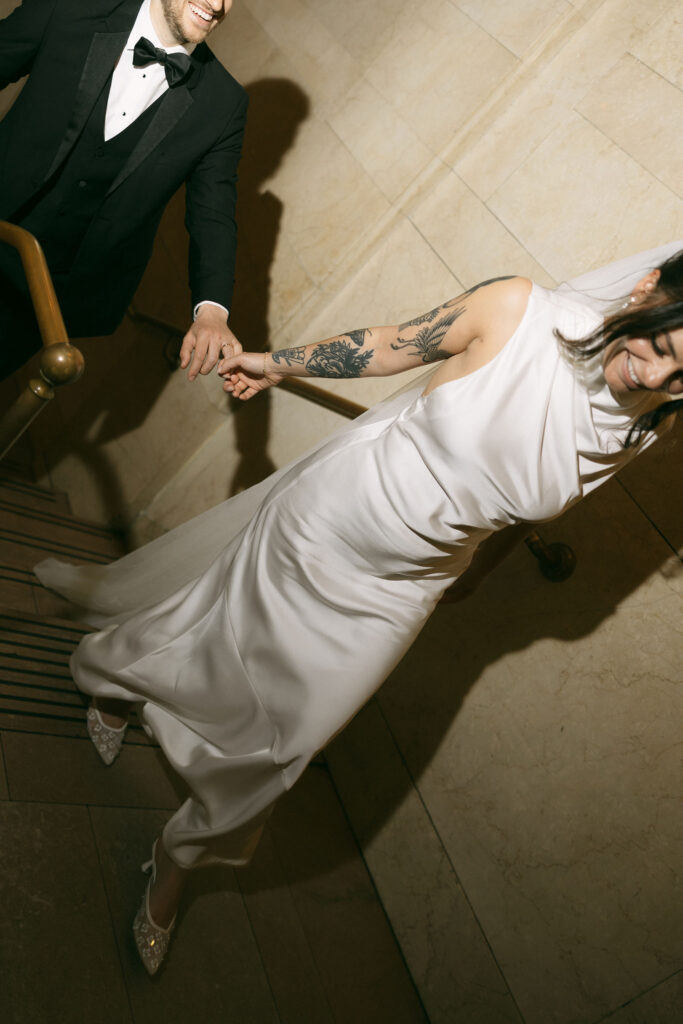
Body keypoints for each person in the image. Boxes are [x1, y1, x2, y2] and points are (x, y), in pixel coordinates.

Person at [35, 241, 683, 975]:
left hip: (408, 584)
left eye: (680, 375)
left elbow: (529, 504)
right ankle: (115, 677)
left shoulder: (648, 420)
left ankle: (175, 856)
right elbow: (384, 347)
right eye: (658, 345)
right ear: (646, 287)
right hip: (329, 523)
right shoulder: (517, 311)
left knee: (293, 737)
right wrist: (272, 363)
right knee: (224, 627)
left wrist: (475, 570)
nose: (654, 375)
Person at [0, 0, 245, 382]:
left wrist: (212, 310)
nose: (217, 5)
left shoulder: (225, 103)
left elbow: (213, 214)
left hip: (48, 300)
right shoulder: (70, 8)